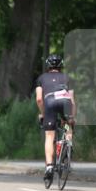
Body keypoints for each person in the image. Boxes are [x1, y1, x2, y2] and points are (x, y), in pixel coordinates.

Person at [36, 54, 76, 184]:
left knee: (49, 135)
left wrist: (43, 114)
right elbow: (72, 100)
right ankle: (67, 144)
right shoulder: (67, 78)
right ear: (61, 65)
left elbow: (39, 99)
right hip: (65, 101)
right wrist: (72, 118)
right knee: (67, 125)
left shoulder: (41, 78)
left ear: (48, 65)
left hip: (50, 102)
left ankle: (49, 166)